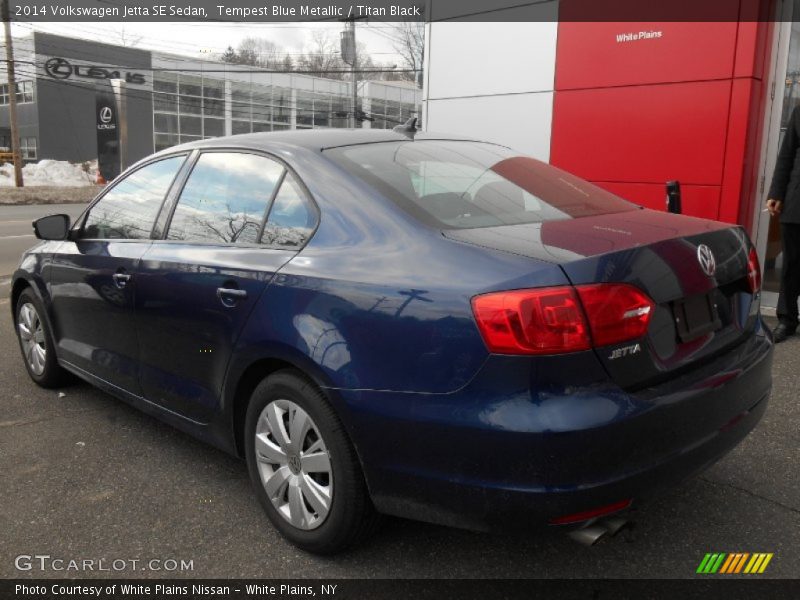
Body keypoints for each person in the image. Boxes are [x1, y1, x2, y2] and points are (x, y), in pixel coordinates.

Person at [767, 104, 800, 343]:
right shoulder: (799, 111)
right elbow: (786, 154)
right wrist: (776, 192)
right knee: (791, 264)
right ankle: (787, 319)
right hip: (796, 201)